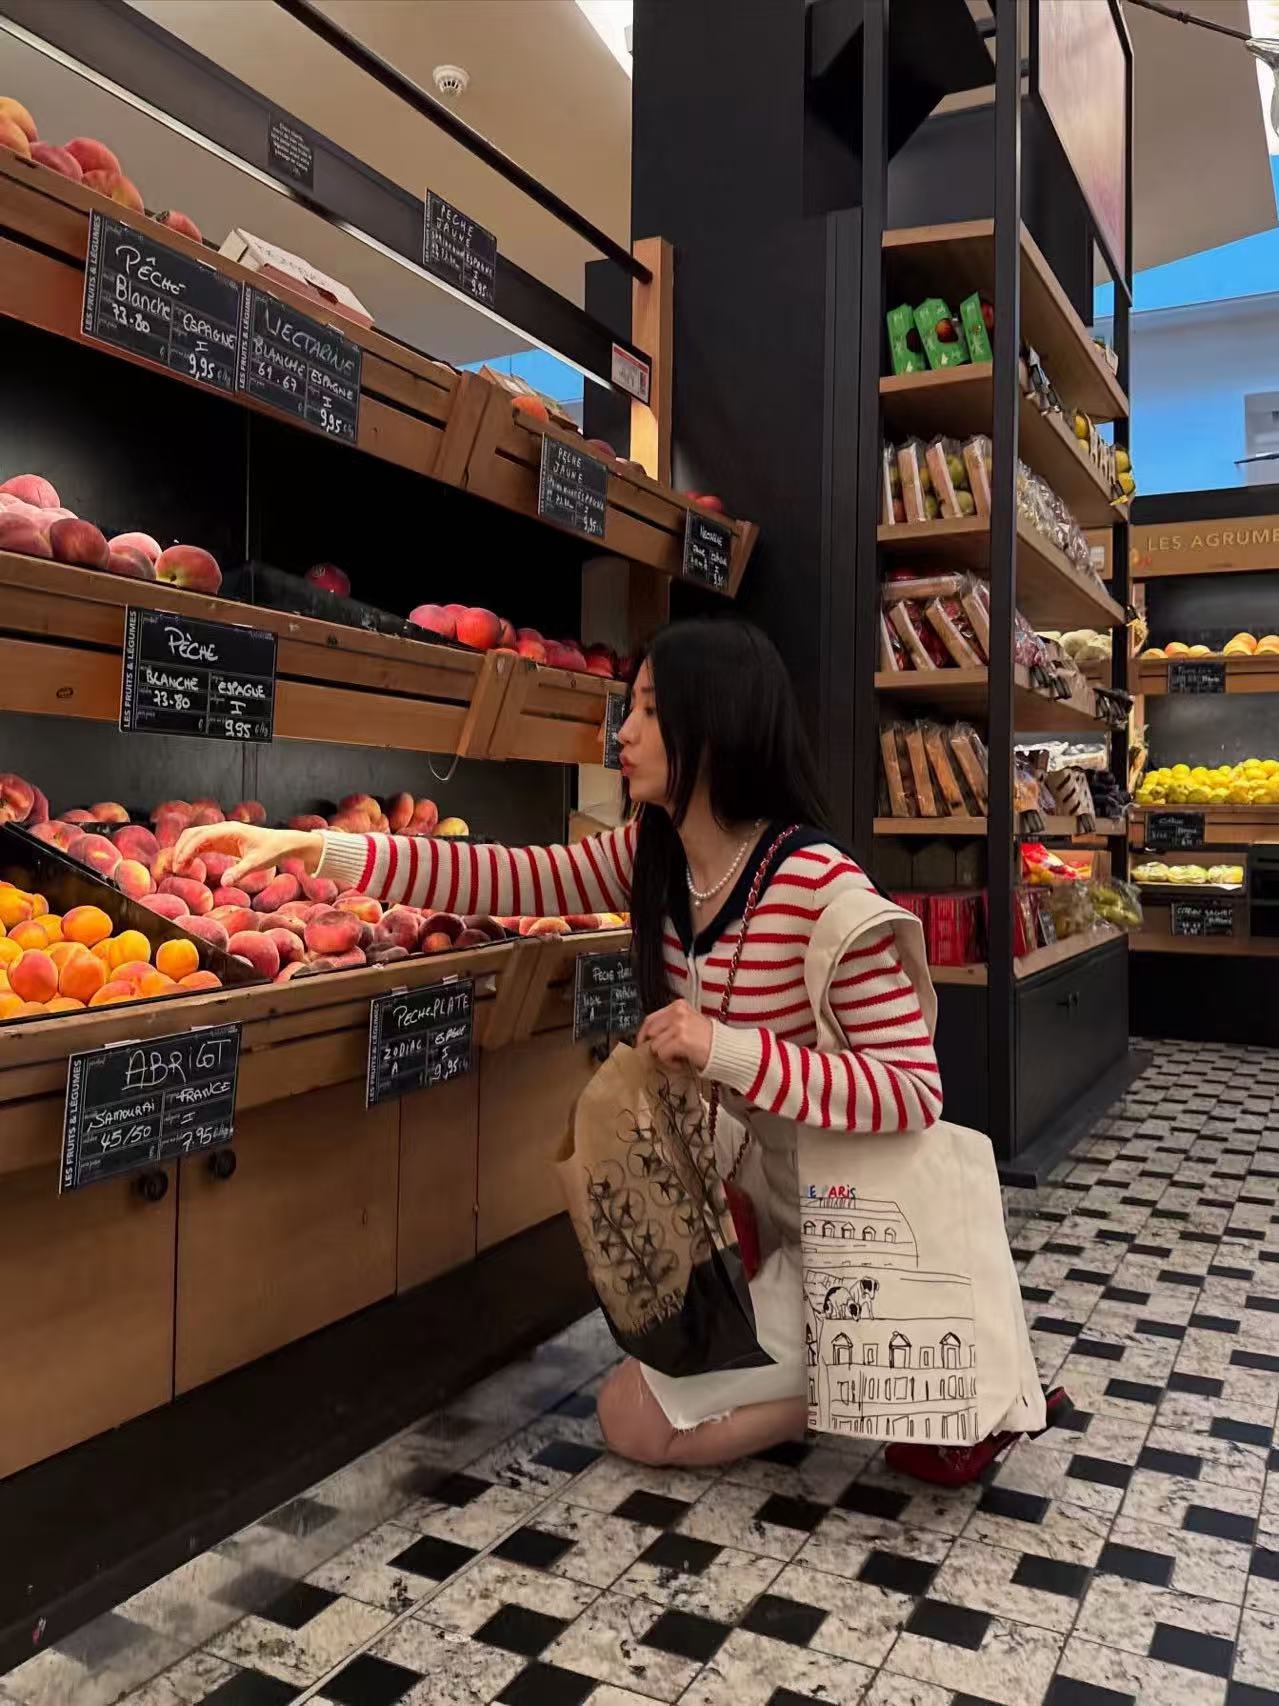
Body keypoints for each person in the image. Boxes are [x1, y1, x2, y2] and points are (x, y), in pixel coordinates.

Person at [176, 615, 1064, 1481]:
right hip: (761, 1219)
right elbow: (510, 875)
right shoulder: (659, 857)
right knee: (643, 1398)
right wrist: (313, 849)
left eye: (646, 711)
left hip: (856, 1231)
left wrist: (722, 1047)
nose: (622, 733)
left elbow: (911, 1089)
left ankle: (866, 1369)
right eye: (627, 708)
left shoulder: (815, 887)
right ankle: (856, 1366)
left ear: (714, 727)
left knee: (634, 1422)